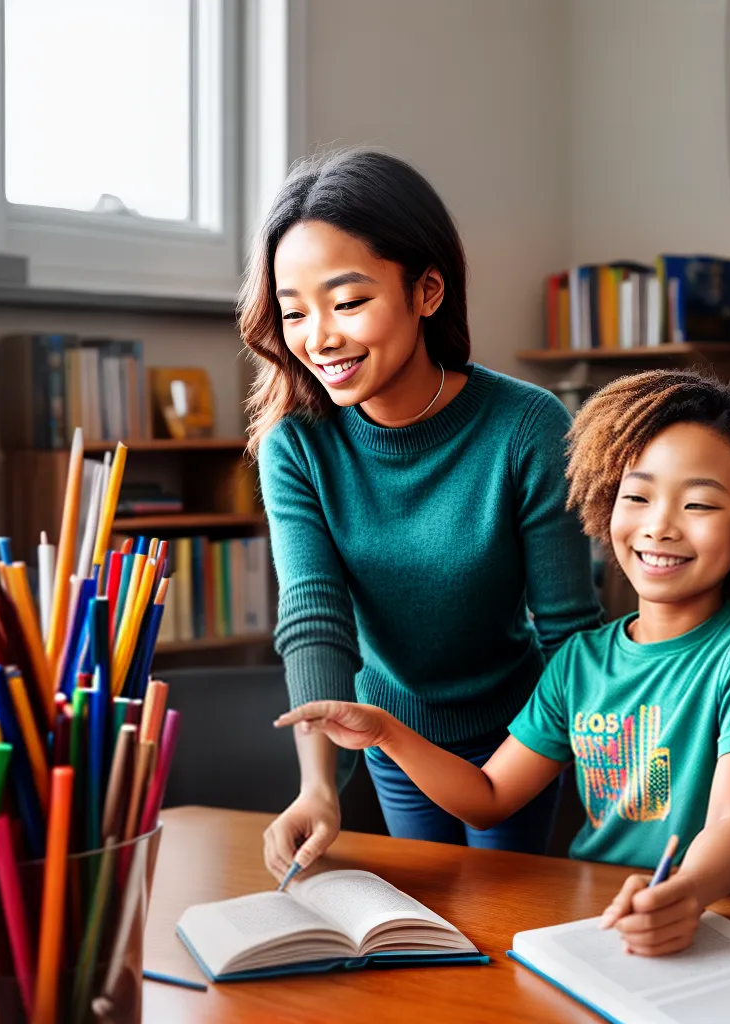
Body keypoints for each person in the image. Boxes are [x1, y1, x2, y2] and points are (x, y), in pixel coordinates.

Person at [276, 369, 730, 957]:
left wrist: (687, 893)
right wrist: (386, 730)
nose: (659, 526)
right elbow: (488, 797)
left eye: (698, 504)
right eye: (638, 496)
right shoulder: (577, 662)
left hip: (704, 916)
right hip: (591, 916)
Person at [241, 149, 602, 878]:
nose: (320, 336)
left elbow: (569, 630)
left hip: (519, 732)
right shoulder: (296, 442)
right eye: (295, 312)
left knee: (506, 916)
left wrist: (615, 787)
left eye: (347, 302)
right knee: (436, 923)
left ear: (427, 290)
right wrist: (318, 786)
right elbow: (315, 613)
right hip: (389, 730)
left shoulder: (525, 424)